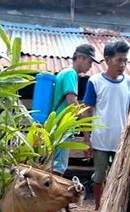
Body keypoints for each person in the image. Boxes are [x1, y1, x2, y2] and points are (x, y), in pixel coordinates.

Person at [83, 41, 130, 210]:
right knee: (99, 176)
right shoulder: (95, 82)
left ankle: (115, 210)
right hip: (100, 141)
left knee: (120, 177)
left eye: (125, 61)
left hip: (121, 141)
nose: (122, 65)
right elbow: (87, 112)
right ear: (107, 59)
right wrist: (86, 139)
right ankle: (99, 210)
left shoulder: (129, 83)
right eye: (119, 60)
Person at [52, 44, 99, 175]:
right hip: (62, 127)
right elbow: (72, 103)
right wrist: (86, 130)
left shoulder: (64, 73)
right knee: (58, 168)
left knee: (55, 165)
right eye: (89, 61)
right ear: (79, 58)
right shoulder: (70, 74)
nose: (90, 66)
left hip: (57, 126)